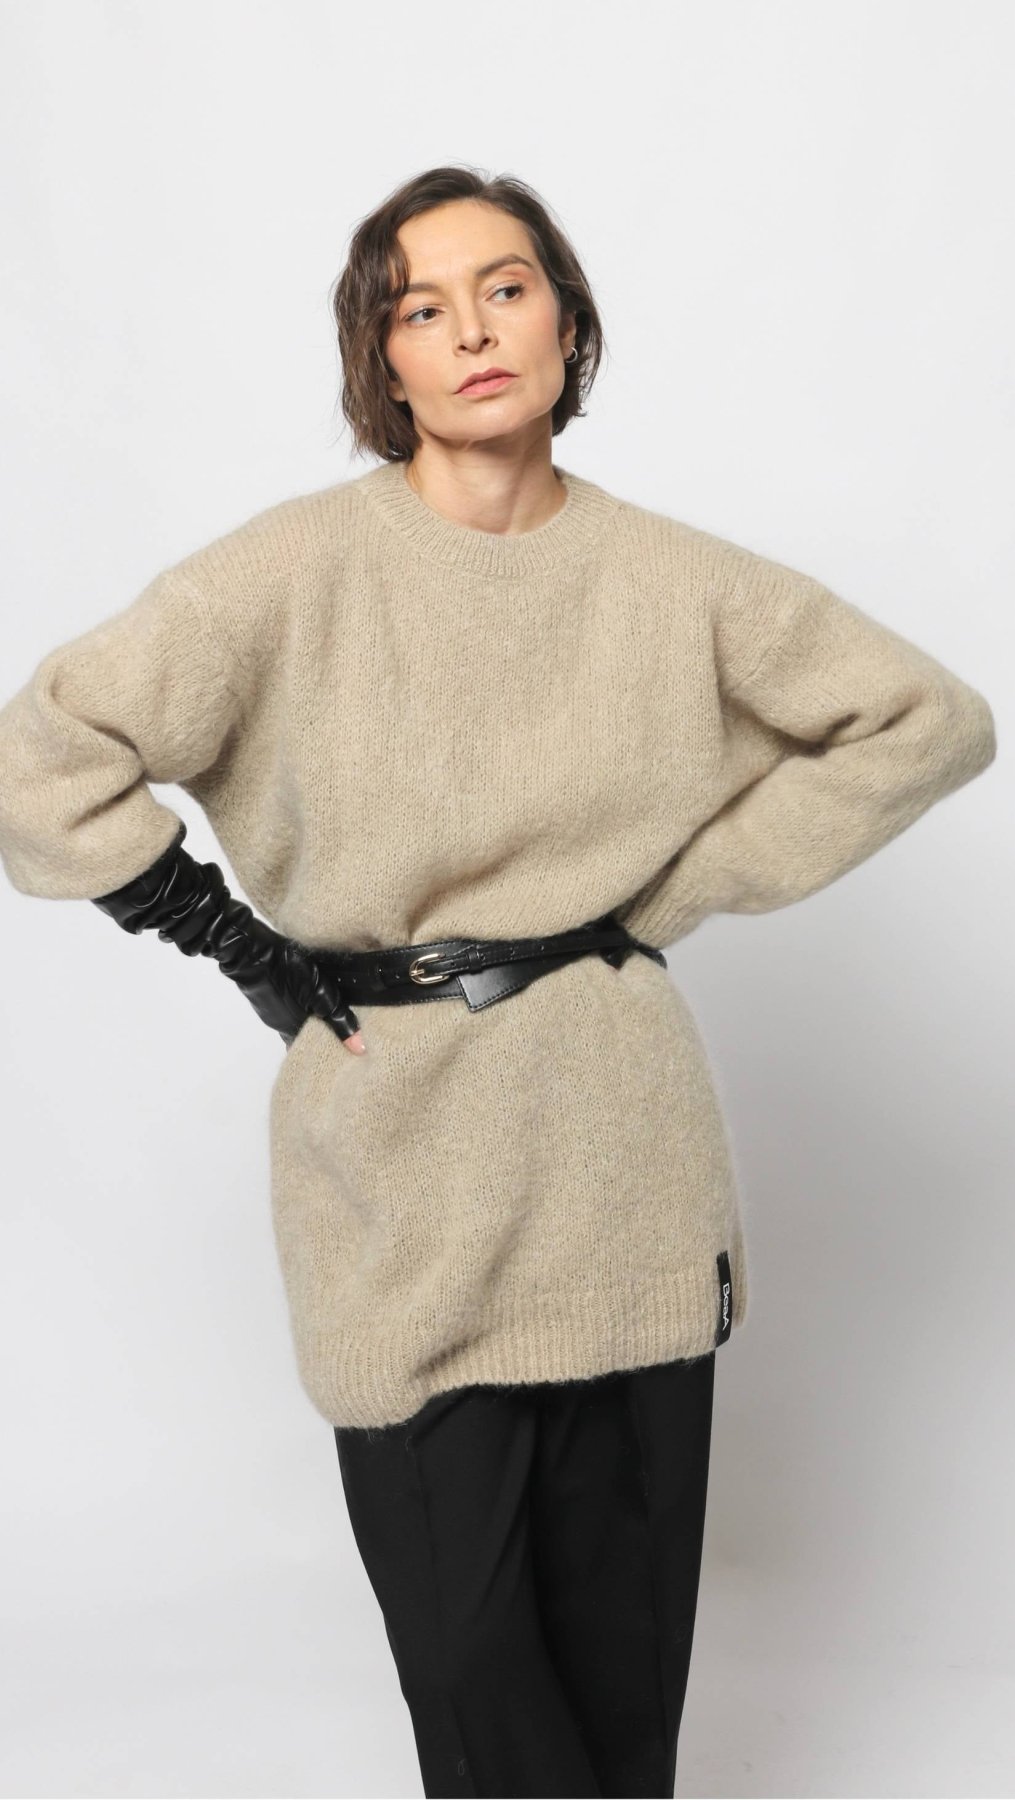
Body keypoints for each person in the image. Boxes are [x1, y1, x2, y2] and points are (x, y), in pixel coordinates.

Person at [0, 164, 996, 1798]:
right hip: (394, 1156)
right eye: (422, 306)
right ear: (381, 360)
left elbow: (927, 720)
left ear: (568, 323)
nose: (471, 330)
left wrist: (675, 888)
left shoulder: (676, 579)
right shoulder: (292, 574)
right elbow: (44, 755)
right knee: (472, 1672)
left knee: (620, 1684)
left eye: (507, 287)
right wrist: (232, 940)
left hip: (624, 1151)